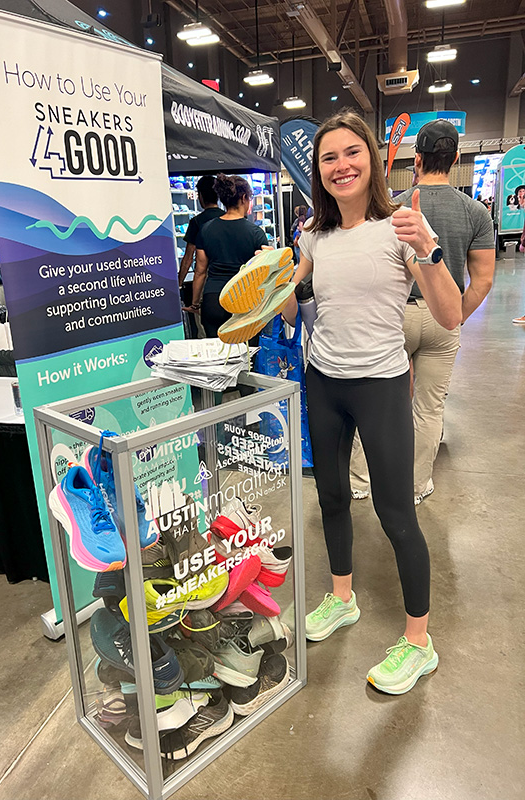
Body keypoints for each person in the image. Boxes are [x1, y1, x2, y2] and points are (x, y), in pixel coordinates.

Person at [282, 109, 462, 695]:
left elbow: (450, 315)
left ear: (371, 161)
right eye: (328, 157)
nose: (341, 165)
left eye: (351, 153)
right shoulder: (312, 235)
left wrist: (431, 252)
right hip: (324, 382)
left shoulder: (401, 229)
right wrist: (283, 281)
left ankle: (419, 642)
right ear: (318, 169)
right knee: (332, 497)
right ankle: (342, 599)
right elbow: (290, 312)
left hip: (381, 385)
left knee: (396, 514)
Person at [351, 120, 495, 504]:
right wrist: (455, 316)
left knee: (380, 400)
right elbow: (482, 279)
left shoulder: (394, 208)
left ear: (416, 160)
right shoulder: (476, 212)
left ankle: (361, 481)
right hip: (442, 318)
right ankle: (415, 486)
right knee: (429, 406)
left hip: (394, 316)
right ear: (456, 159)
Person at [185, 173, 268, 338]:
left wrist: (195, 304)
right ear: (244, 198)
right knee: (247, 356)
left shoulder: (206, 229)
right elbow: (263, 273)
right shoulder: (256, 233)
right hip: (245, 301)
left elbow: (200, 272)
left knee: (216, 356)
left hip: (214, 300)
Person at [177, 175, 224, 288]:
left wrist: (178, 284)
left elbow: (188, 257)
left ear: (201, 196)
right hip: (229, 279)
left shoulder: (197, 222)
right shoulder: (228, 217)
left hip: (207, 282)